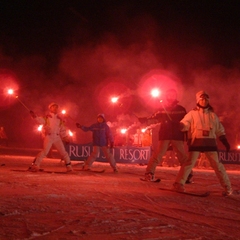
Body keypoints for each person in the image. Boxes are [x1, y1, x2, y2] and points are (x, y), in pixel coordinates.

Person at [173, 90, 232, 196]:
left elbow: (219, 129)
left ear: (208, 101)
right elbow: (185, 123)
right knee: (189, 164)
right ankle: (178, 183)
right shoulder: (192, 114)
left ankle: (227, 187)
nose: (204, 101)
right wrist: (181, 126)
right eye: (202, 99)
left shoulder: (213, 116)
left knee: (217, 166)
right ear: (198, 100)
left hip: (210, 143)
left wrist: (225, 141)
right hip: (196, 142)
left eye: (206, 99)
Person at [140, 89, 193, 182]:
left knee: (182, 156)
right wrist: (145, 120)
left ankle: (187, 174)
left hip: (177, 135)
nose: (171, 96)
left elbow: (187, 122)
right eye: (169, 95)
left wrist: (181, 125)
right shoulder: (162, 109)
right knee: (158, 155)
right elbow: (154, 118)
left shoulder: (181, 109)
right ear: (166, 96)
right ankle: (149, 173)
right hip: (165, 135)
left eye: (173, 95)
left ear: (176, 96)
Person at [28, 102, 73, 172]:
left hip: (57, 137)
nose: (55, 108)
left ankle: (69, 166)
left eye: (56, 107)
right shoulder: (47, 117)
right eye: (53, 107)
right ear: (50, 108)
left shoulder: (60, 119)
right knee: (45, 152)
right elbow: (39, 120)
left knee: (63, 152)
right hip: (49, 136)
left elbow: (62, 130)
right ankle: (35, 165)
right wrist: (34, 116)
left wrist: (65, 137)